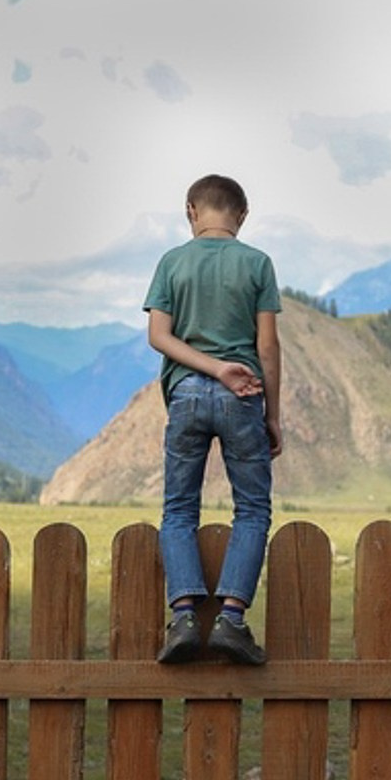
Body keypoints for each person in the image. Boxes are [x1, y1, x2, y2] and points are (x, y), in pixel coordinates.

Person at [146, 173, 283, 666]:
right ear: (242, 216)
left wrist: (205, 368)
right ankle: (231, 620)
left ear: (191, 211)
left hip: (184, 394)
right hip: (242, 394)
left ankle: (183, 616)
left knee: (178, 509)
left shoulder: (171, 262)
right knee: (252, 509)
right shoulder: (257, 263)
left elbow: (159, 337)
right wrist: (272, 413)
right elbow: (267, 346)